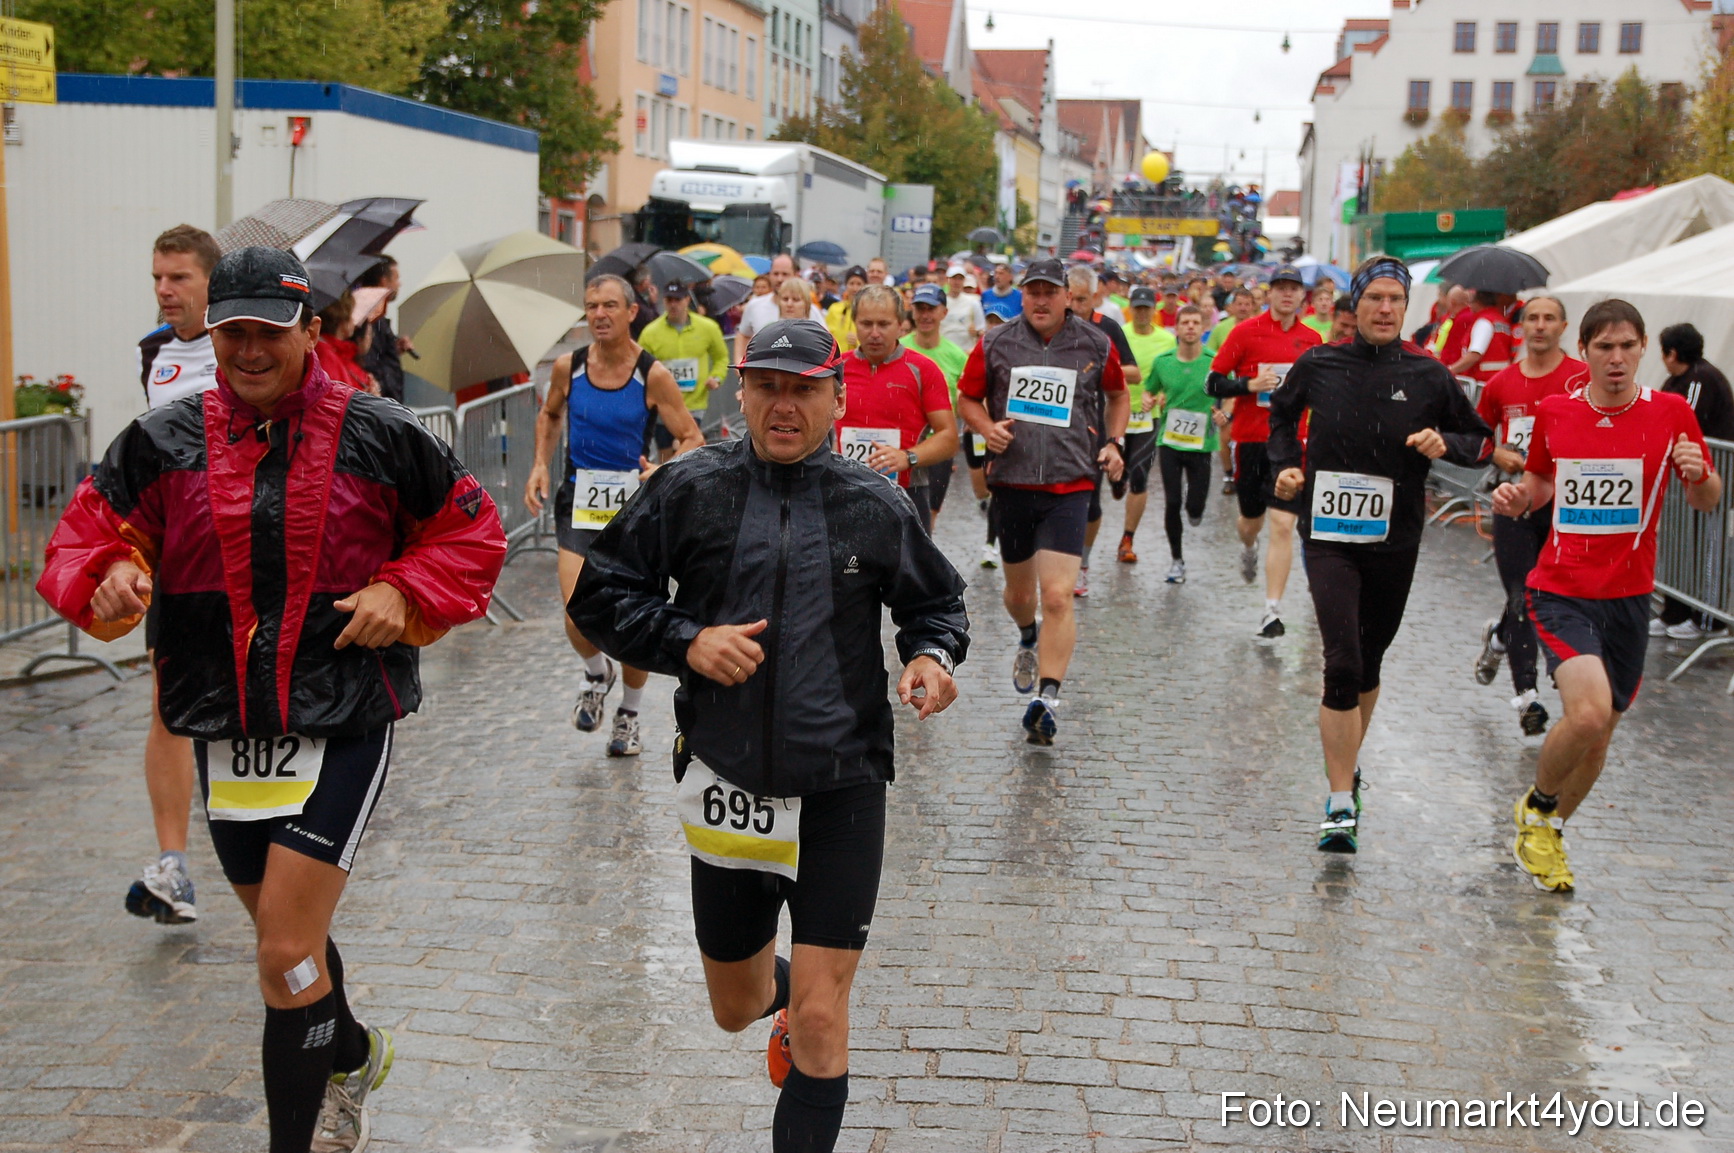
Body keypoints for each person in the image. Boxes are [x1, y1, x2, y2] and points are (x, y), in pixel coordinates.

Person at [39, 245, 506, 1151]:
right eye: (230, 333)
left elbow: (471, 530)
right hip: (225, 725)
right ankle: (355, 1051)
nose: (248, 350)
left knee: (286, 949)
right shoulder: (163, 438)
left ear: (313, 332)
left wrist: (403, 590)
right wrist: (109, 577)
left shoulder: (379, 432)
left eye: (267, 332)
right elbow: (89, 535)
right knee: (286, 946)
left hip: (341, 720)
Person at [568, 317, 967, 1153]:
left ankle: (811, 1005)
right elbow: (599, 594)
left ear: (836, 395)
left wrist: (930, 655)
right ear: (741, 391)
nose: (785, 405)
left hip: (843, 783)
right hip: (727, 780)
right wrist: (687, 642)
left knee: (823, 1016)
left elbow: (934, 602)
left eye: (805, 388)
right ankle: (781, 994)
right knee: (735, 1006)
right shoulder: (691, 486)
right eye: (769, 387)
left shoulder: (875, 501)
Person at [1492, 299, 1721, 892]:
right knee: (1587, 712)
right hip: (1562, 588)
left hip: (1630, 597)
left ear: (1644, 348)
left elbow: (1706, 500)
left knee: (1601, 734)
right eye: (1604, 347)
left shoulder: (1671, 412)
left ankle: (1548, 836)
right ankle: (1538, 807)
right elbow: (1541, 480)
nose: (1616, 358)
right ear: (1586, 352)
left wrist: (1699, 472)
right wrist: (1522, 498)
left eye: (1626, 346)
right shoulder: (1557, 410)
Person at [1270, 256, 1491, 853]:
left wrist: (1447, 443)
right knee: (1341, 660)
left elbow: (1479, 440)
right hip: (1329, 533)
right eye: (1375, 299)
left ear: (1407, 306)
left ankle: (1350, 765)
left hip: (1396, 538)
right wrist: (1286, 466)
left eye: (1396, 299)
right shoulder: (1319, 363)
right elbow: (1282, 416)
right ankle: (1340, 801)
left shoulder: (1429, 373)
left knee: (1369, 661)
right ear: (1355, 305)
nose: (1386, 309)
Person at [525, 274, 704, 758]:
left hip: (635, 511)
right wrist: (541, 463)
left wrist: (661, 470)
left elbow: (691, 437)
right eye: (590, 306)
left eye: (608, 305)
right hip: (580, 502)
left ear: (630, 313)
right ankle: (595, 674)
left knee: (634, 620)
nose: (599, 314)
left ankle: (629, 713)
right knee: (575, 613)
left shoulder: (653, 375)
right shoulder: (569, 367)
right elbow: (549, 414)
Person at [957, 259, 1129, 744]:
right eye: (1032, 291)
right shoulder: (996, 342)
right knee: (1018, 597)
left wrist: (1114, 442)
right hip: (1011, 483)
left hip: (1070, 484)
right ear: (1023, 296)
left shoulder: (1096, 343)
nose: (1040, 299)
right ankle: (1027, 635)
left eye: (1049, 292)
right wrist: (986, 428)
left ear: (1067, 297)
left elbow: (1118, 396)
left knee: (1057, 594)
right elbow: (967, 398)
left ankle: (1046, 699)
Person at [128, 223, 222, 926]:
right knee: (169, 699)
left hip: (252, 556)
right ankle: (173, 865)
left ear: (210, 281)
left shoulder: (243, 347)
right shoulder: (156, 354)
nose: (164, 289)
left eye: (178, 277)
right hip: (179, 559)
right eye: (158, 276)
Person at [1471, 297, 1589, 735]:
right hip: (1515, 503)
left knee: (1550, 595)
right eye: (1532, 319)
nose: (1540, 326)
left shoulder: (1581, 377)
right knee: (1522, 594)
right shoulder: (1502, 384)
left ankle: (1499, 637)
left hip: (1567, 507)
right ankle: (1528, 697)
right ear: (1521, 327)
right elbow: (1476, 437)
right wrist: (1498, 452)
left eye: (1549, 319)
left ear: (1563, 326)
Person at [1207, 263, 1321, 638]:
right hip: (1253, 439)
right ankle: (1248, 546)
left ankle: (1271, 610)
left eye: (1294, 288)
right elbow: (1213, 383)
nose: (1287, 294)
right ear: (1268, 294)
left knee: (1284, 524)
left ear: (1302, 295)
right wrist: (1249, 385)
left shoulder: (1312, 340)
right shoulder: (1245, 333)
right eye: (1280, 288)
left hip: (1292, 443)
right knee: (1250, 521)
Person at [838, 286, 959, 530]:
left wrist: (907, 457)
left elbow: (949, 438)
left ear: (900, 323)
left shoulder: (923, 369)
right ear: (854, 323)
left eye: (883, 324)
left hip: (907, 492)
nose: (874, 333)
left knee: (907, 568)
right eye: (866, 324)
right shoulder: (837, 369)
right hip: (844, 491)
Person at [1654, 322, 1734, 639]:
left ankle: (1709, 620)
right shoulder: (1677, 379)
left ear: (1672, 352)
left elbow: (1687, 421)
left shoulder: (1701, 379)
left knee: (1707, 545)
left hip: (1710, 480)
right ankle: (1675, 611)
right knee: (1679, 542)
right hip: (1682, 482)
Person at [1070, 266, 1142, 594]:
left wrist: (1097, 369)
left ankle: (1082, 562)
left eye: (1081, 300)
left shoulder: (1106, 328)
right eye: (1068, 298)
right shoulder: (1050, 326)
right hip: (1057, 425)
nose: (1073, 306)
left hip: (1094, 424)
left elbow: (1134, 373)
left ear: (1096, 297)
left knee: (1090, 503)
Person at [1148, 304, 1218, 584]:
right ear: (1176, 329)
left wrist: (1224, 411)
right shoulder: (1163, 362)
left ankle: (1195, 511)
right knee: (1172, 501)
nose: (1190, 327)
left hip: (1202, 444)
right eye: (1185, 323)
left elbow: (1230, 391)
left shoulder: (1215, 362)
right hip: (1170, 442)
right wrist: (1148, 399)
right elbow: (1151, 390)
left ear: (1203, 329)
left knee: (1195, 508)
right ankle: (1177, 560)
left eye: (1195, 323)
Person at [1116, 286, 1178, 564]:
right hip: (1116, 414)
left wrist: (1161, 395)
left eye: (1147, 308)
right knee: (1115, 476)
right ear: (1131, 308)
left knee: (1139, 475)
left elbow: (1172, 374)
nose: (1142, 313)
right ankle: (1118, 482)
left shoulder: (1167, 340)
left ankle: (1127, 539)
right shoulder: (1120, 334)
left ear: (1154, 310)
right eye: (1137, 308)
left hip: (1148, 417)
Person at [639, 279, 731, 459]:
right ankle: (667, 485)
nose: (673, 305)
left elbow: (721, 357)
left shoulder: (707, 327)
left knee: (684, 449)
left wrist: (717, 377)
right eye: (669, 300)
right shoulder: (650, 332)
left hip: (693, 403)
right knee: (665, 456)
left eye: (678, 300)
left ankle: (685, 484)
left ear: (687, 300)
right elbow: (640, 367)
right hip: (662, 406)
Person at [902, 283, 971, 520]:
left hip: (939, 446)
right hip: (903, 444)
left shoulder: (957, 356)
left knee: (928, 517)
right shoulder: (898, 348)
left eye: (931, 309)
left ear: (944, 313)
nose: (925, 315)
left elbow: (968, 399)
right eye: (919, 308)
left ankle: (921, 556)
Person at [738, 254, 824, 360]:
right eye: (775, 274)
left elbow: (825, 343)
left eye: (785, 274)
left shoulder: (811, 310)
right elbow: (743, 334)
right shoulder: (755, 305)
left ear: (796, 275)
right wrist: (740, 363)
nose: (779, 279)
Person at [355, 256, 413, 403]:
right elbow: (371, 363)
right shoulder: (370, 317)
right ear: (383, 281)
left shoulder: (375, 316)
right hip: (382, 405)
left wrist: (393, 348)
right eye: (396, 278)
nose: (399, 284)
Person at [314, 291, 380, 395]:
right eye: (352, 313)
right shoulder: (325, 354)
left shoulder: (339, 352)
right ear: (342, 317)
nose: (354, 320)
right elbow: (335, 401)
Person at [1449, 289, 1518, 384]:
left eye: (1471, 302)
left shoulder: (1484, 322)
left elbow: (1474, 355)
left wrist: (1449, 371)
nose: (1470, 306)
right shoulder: (1500, 320)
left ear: (1478, 302)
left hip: (1482, 382)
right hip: (1500, 379)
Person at [941, 262, 985, 349]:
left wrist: (976, 332)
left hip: (965, 351)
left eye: (960, 279)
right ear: (947, 280)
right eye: (954, 278)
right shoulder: (940, 301)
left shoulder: (973, 302)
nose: (956, 282)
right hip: (943, 350)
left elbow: (982, 329)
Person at [825, 265, 868, 352]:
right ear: (846, 285)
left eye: (859, 284)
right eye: (851, 283)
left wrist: (857, 341)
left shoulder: (869, 311)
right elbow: (826, 336)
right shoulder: (835, 309)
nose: (855, 288)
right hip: (837, 360)